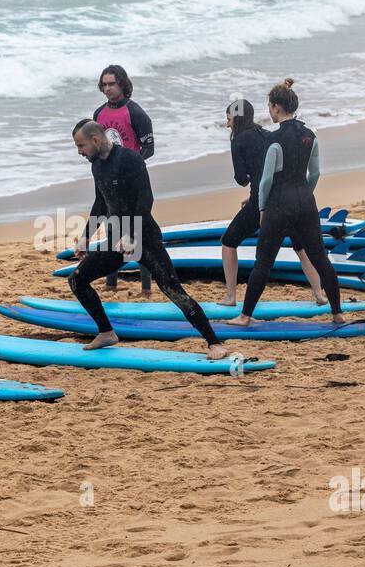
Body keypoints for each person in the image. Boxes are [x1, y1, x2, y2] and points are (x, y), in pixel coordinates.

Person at [69, 120, 226, 360]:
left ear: (95, 140)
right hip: (116, 240)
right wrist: (85, 237)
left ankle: (213, 342)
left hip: (144, 238)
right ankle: (106, 332)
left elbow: (146, 200)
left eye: (81, 146)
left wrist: (131, 234)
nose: (79, 152)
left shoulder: (130, 160)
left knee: (172, 290)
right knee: (77, 280)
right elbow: (101, 203)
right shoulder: (97, 166)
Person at [228, 79, 342, 328]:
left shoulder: (275, 138)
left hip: (278, 205)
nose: (268, 110)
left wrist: (261, 207)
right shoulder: (310, 136)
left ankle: (245, 316)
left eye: (270, 106)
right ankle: (337, 313)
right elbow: (316, 173)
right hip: (305, 201)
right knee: (320, 257)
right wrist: (303, 193)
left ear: (277, 107)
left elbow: (267, 178)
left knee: (264, 262)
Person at [93, 64, 154, 294]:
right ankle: (111, 285)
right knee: (112, 231)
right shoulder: (98, 114)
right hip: (109, 182)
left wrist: (130, 168)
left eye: (112, 84)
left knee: (139, 231)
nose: (108, 88)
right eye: (104, 84)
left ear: (122, 84)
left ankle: (146, 289)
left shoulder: (135, 113)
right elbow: (95, 146)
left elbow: (149, 148)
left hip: (133, 182)